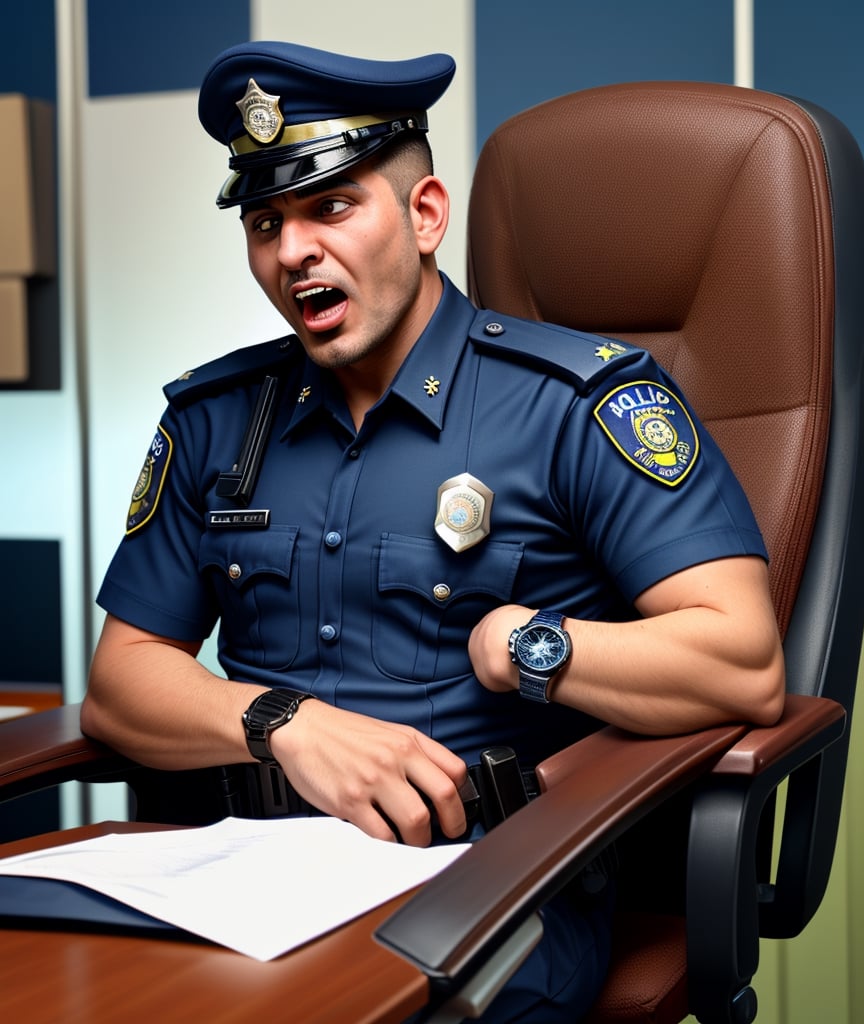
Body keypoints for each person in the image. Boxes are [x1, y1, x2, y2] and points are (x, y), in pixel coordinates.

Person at [81, 39, 785, 1021]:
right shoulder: (210, 419)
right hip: (237, 887)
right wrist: (281, 724)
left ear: (424, 216)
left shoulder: (577, 403)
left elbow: (742, 658)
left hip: (483, 888)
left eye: (331, 206)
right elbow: (119, 685)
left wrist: (526, 646)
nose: (292, 252)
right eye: (265, 222)